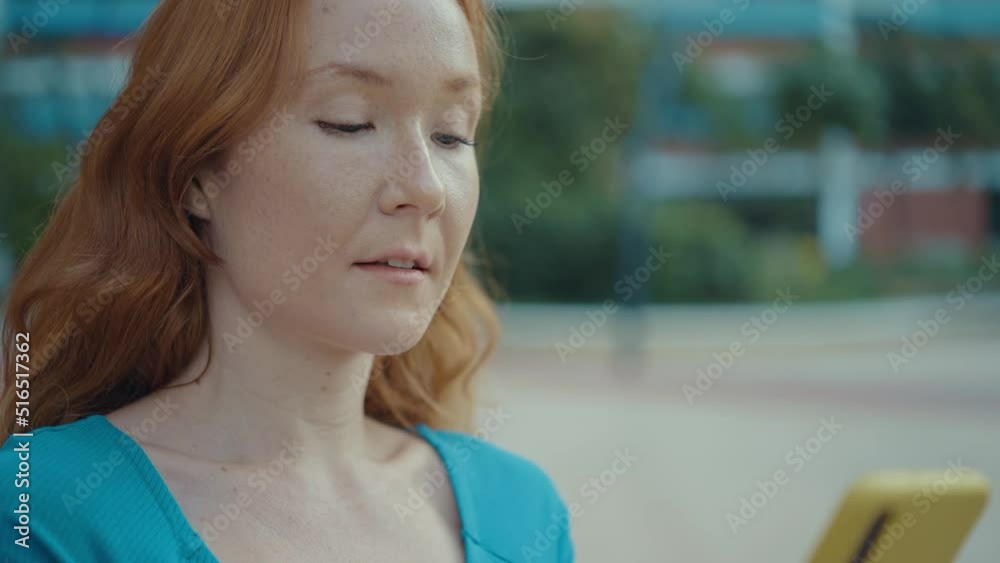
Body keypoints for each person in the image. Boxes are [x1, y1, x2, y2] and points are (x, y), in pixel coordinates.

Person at [0, 0, 574, 561]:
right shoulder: (40, 510)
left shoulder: (521, 515)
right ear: (196, 173)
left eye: (450, 134)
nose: (427, 189)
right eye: (349, 122)